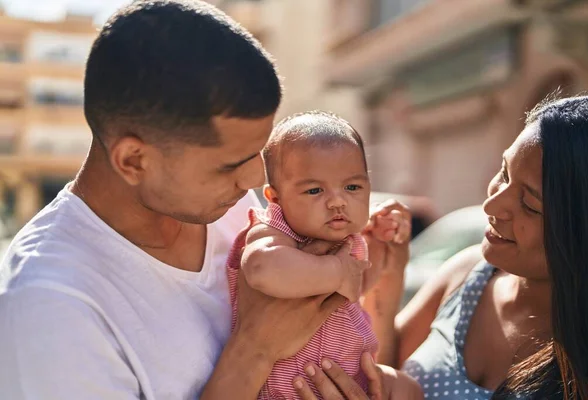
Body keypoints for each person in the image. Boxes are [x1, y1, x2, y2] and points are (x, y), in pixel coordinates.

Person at [0, 1, 418, 399]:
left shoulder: (223, 203)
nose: (255, 178)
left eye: (258, 152)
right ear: (134, 159)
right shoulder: (49, 307)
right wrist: (254, 349)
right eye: (229, 164)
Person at [327, 94, 588, 400]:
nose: (492, 204)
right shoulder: (468, 274)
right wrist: (388, 279)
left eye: (530, 205)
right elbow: (381, 373)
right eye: (505, 173)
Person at [226, 111, 418, 399]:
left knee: (408, 389)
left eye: (352, 187)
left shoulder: (347, 238)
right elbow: (261, 269)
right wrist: (336, 270)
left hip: (350, 376)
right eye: (314, 190)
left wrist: (378, 243)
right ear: (275, 198)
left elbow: (357, 286)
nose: (337, 201)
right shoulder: (274, 230)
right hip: (287, 388)